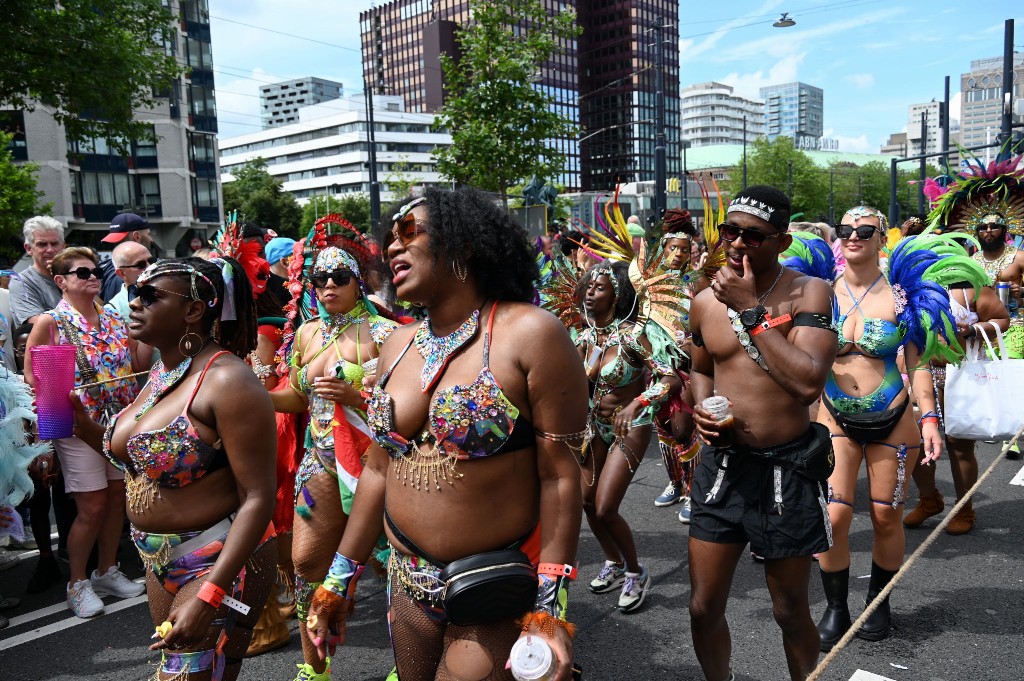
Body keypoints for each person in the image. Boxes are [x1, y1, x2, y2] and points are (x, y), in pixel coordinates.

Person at [306, 187, 588, 681]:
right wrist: (337, 581)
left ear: (464, 244)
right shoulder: (395, 343)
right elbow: (378, 468)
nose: (391, 248)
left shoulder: (530, 333)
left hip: (492, 587)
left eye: (408, 232)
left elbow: (561, 476)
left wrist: (549, 609)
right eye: (388, 239)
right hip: (407, 583)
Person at [72, 256, 278, 681]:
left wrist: (211, 591)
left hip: (218, 558)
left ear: (193, 310)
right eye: (134, 293)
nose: (134, 303)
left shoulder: (227, 380)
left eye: (150, 296)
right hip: (157, 561)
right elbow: (139, 465)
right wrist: (81, 425)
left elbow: (259, 497)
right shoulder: (162, 374)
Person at [687, 185, 837, 681]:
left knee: (789, 610)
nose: (736, 243)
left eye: (753, 236)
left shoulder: (809, 291)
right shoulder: (705, 299)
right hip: (722, 468)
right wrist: (701, 407)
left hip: (785, 469)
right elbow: (700, 365)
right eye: (730, 231)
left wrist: (752, 311)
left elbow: (807, 382)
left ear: (782, 240)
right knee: (702, 607)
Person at [815, 209, 978, 651]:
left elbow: (919, 362)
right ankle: (835, 607)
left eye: (863, 231)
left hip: (892, 415)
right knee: (833, 516)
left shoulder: (900, 295)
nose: (852, 237)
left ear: (879, 238)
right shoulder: (820, 292)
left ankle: (878, 601)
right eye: (846, 230)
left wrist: (929, 419)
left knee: (886, 514)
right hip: (833, 417)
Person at [270, 230, 398, 679]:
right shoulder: (306, 333)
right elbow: (296, 397)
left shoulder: (388, 333)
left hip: (376, 464)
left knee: (393, 565)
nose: (327, 286)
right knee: (306, 563)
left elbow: (410, 407)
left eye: (338, 276)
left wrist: (356, 396)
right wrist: (257, 392)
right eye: (318, 278)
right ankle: (316, 666)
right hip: (321, 462)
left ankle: (409, 659)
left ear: (357, 281)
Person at [24, 247, 143, 618]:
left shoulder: (110, 315)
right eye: (81, 272)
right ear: (60, 281)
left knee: (114, 499)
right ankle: (77, 582)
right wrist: (60, 403)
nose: (92, 276)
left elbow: (133, 362)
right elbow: (32, 376)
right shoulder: (51, 322)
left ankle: (107, 570)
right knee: (91, 506)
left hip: (117, 421)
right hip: (77, 426)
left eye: (95, 270)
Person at [905, 272, 1008, 535]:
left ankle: (964, 509)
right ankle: (929, 500)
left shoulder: (970, 289)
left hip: (963, 375)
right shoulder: (912, 287)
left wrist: (973, 329)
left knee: (959, 444)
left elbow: (1002, 319)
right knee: (916, 441)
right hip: (921, 373)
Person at [9, 216, 64, 326]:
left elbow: (99, 311)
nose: (50, 250)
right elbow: (40, 326)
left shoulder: (75, 274)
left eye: (54, 244)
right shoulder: (21, 282)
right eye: (42, 244)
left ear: (63, 246)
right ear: (28, 248)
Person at [100, 213, 156, 302]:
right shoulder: (143, 273)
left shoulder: (102, 270)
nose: (151, 239)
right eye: (148, 234)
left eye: (150, 261)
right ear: (136, 236)